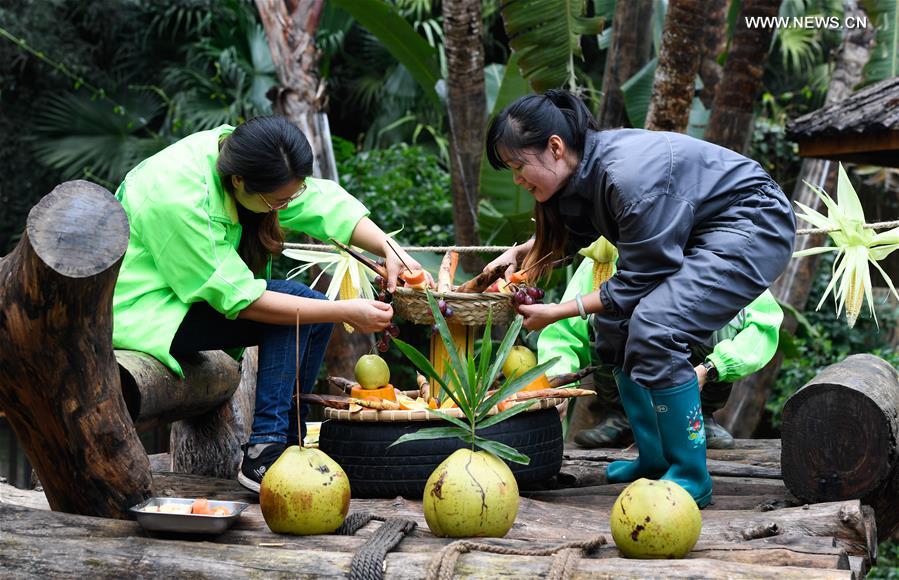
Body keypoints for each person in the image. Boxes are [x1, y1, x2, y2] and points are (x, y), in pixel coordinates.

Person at [484, 90, 796, 508]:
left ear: (555, 148)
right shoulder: (584, 172)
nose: (517, 179)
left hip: (752, 222)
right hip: (704, 228)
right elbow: (576, 235)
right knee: (614, 327)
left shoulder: (626, 177)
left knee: (656, 327)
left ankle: (690, 473)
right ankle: (652, 457)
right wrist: (525, 251)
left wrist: (560, 311)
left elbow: (641, 276)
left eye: (519, 166)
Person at [112, 116, 425, 492]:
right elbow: (240, 299)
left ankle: (289, 445)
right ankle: (265, 451)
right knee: (302, 308)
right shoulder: (178, 198)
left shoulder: (244, 161)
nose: (287, 206)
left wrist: (390, 249)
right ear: (240, 183)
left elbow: (322, 204)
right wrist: (343, 311)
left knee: (312, 311)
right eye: (279, 202)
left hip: (184, 299)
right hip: (145, 312)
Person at [538, 236, 784, 450]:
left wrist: (712, 368)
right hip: (628, 372)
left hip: (694, 373)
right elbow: (564, 333)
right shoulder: (604, 257)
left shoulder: (721, 253)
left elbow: (761, 326)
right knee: (604, 313)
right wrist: (556, 383)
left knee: (725, 316)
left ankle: (701, 416)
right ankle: (621, 416)